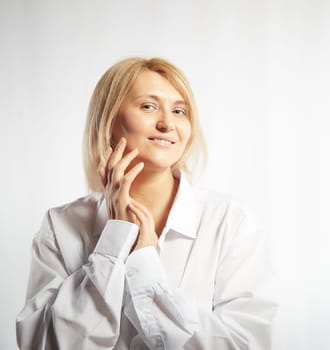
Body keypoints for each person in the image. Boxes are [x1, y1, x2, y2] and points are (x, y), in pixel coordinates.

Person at [16, 57, 278, 349]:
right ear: (110, 121)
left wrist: (143, 263)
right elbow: (45, 344)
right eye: (148, 106)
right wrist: (113, 242)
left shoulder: (230, 222)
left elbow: (244, 344)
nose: (167, 124)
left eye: (179, 111)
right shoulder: (61, 224)